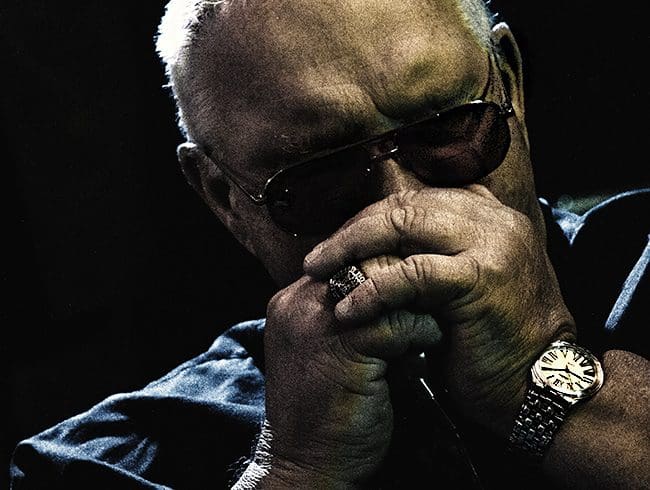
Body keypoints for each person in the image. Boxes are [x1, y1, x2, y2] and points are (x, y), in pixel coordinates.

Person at [10, 0, 649, 488]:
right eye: (319, 176)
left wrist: (541, 382)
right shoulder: (104, 461)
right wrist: (296, 470)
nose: (404, 207)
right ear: (224, 198)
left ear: (509, 86)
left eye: (448, 128)